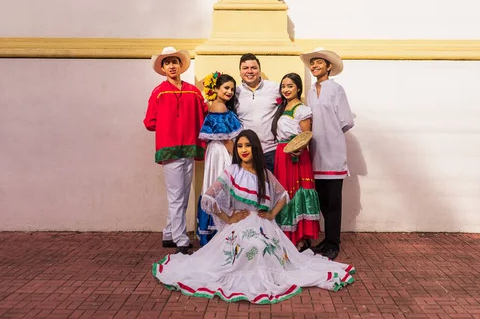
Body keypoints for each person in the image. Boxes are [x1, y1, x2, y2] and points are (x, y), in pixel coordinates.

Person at [152, 129, 354, 304]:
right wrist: (228, 218)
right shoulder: (231, 172)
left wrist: (272, 213)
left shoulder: (264, 174)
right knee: (252, 248)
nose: (243, 149)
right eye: (239, 146)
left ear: (255, 148)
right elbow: (208, 198)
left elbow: (283, 195)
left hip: (265, 226)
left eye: (247, 145)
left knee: (264, 250)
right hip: (239, 226)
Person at [143, 46, 209, 255]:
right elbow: (149, 121)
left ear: (181, 65)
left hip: (188, 148)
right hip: (170, 150)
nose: (172, 66)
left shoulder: (193, 91)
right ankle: (181, 238)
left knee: (182, 193)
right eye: (167, 63)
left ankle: (169, 233)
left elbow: (204, 112)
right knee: (176, 195)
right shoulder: (159, 92)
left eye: (174, 62)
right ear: (163, 68)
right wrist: (168, 127)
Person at [300, 47, 354, 261]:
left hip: (333, 153)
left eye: (319, 62)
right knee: (322, 201)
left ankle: (334, 242)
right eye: (312, 63)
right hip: (316, 153)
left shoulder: (336, 89)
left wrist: (330, 134)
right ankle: (326, 240)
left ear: (328, 66)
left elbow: (346, 120)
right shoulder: (311, 91)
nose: (314, 66)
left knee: (333, 202)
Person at [271, 73, 320, 251]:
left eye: (290, 86)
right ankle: (285, 236)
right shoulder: (281, 108)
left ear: (298, 88)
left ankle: (299, 238)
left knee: (297, 194)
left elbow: (306, 135)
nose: (286, 89)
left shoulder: (302, 109)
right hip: (281, 154)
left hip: (296, 156)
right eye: (283, 86)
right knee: (284, 195)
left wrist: (298, 149)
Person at [196, 73, 242, 246]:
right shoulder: (219, 107)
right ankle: (221, 234)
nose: (229, 91)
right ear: (216, 89)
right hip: (222, 151)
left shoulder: (219, 105)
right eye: (226, 88)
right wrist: (237, 159)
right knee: (222, 186)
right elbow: (226, 138)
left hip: (217, 150)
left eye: (232, 89)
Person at [235, 53, 280, 172]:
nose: (249, 71)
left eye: (253, 68)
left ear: (259, 71)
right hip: (246, 153)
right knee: (247, 190)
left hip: (271, 151)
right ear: (240, 71)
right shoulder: (235, 92)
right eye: (245, 68)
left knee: (271, 189)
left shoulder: (275, 88)